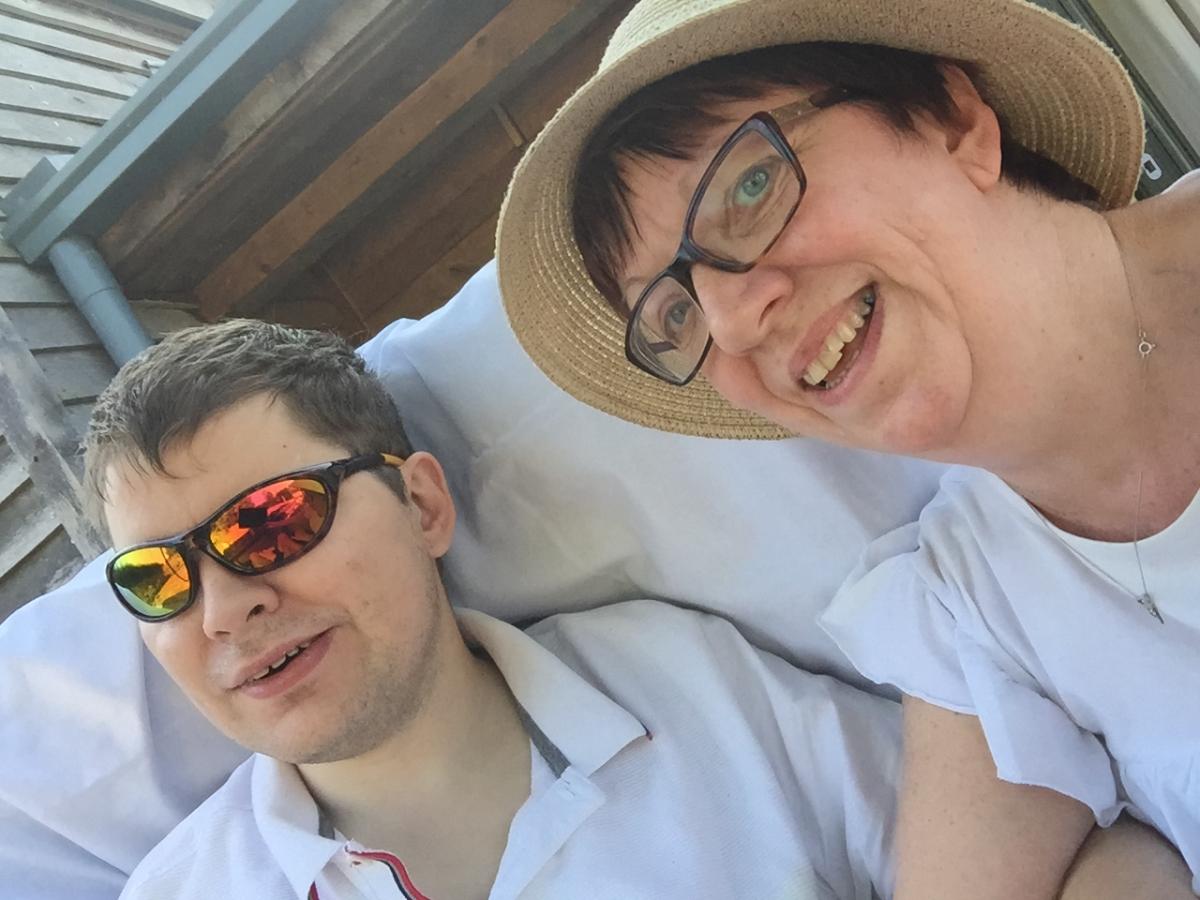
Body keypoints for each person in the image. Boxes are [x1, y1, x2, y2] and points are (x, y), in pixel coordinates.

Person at [493, 0, 1200, 897]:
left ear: (955, 121)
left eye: (750, 186)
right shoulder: (975, 615)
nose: (730, 320)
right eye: (674, 313)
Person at [87, 318, 907, 899]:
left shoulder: (693, 690)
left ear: (422, 506)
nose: (223, 611)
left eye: (272, 521)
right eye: (156, 579)